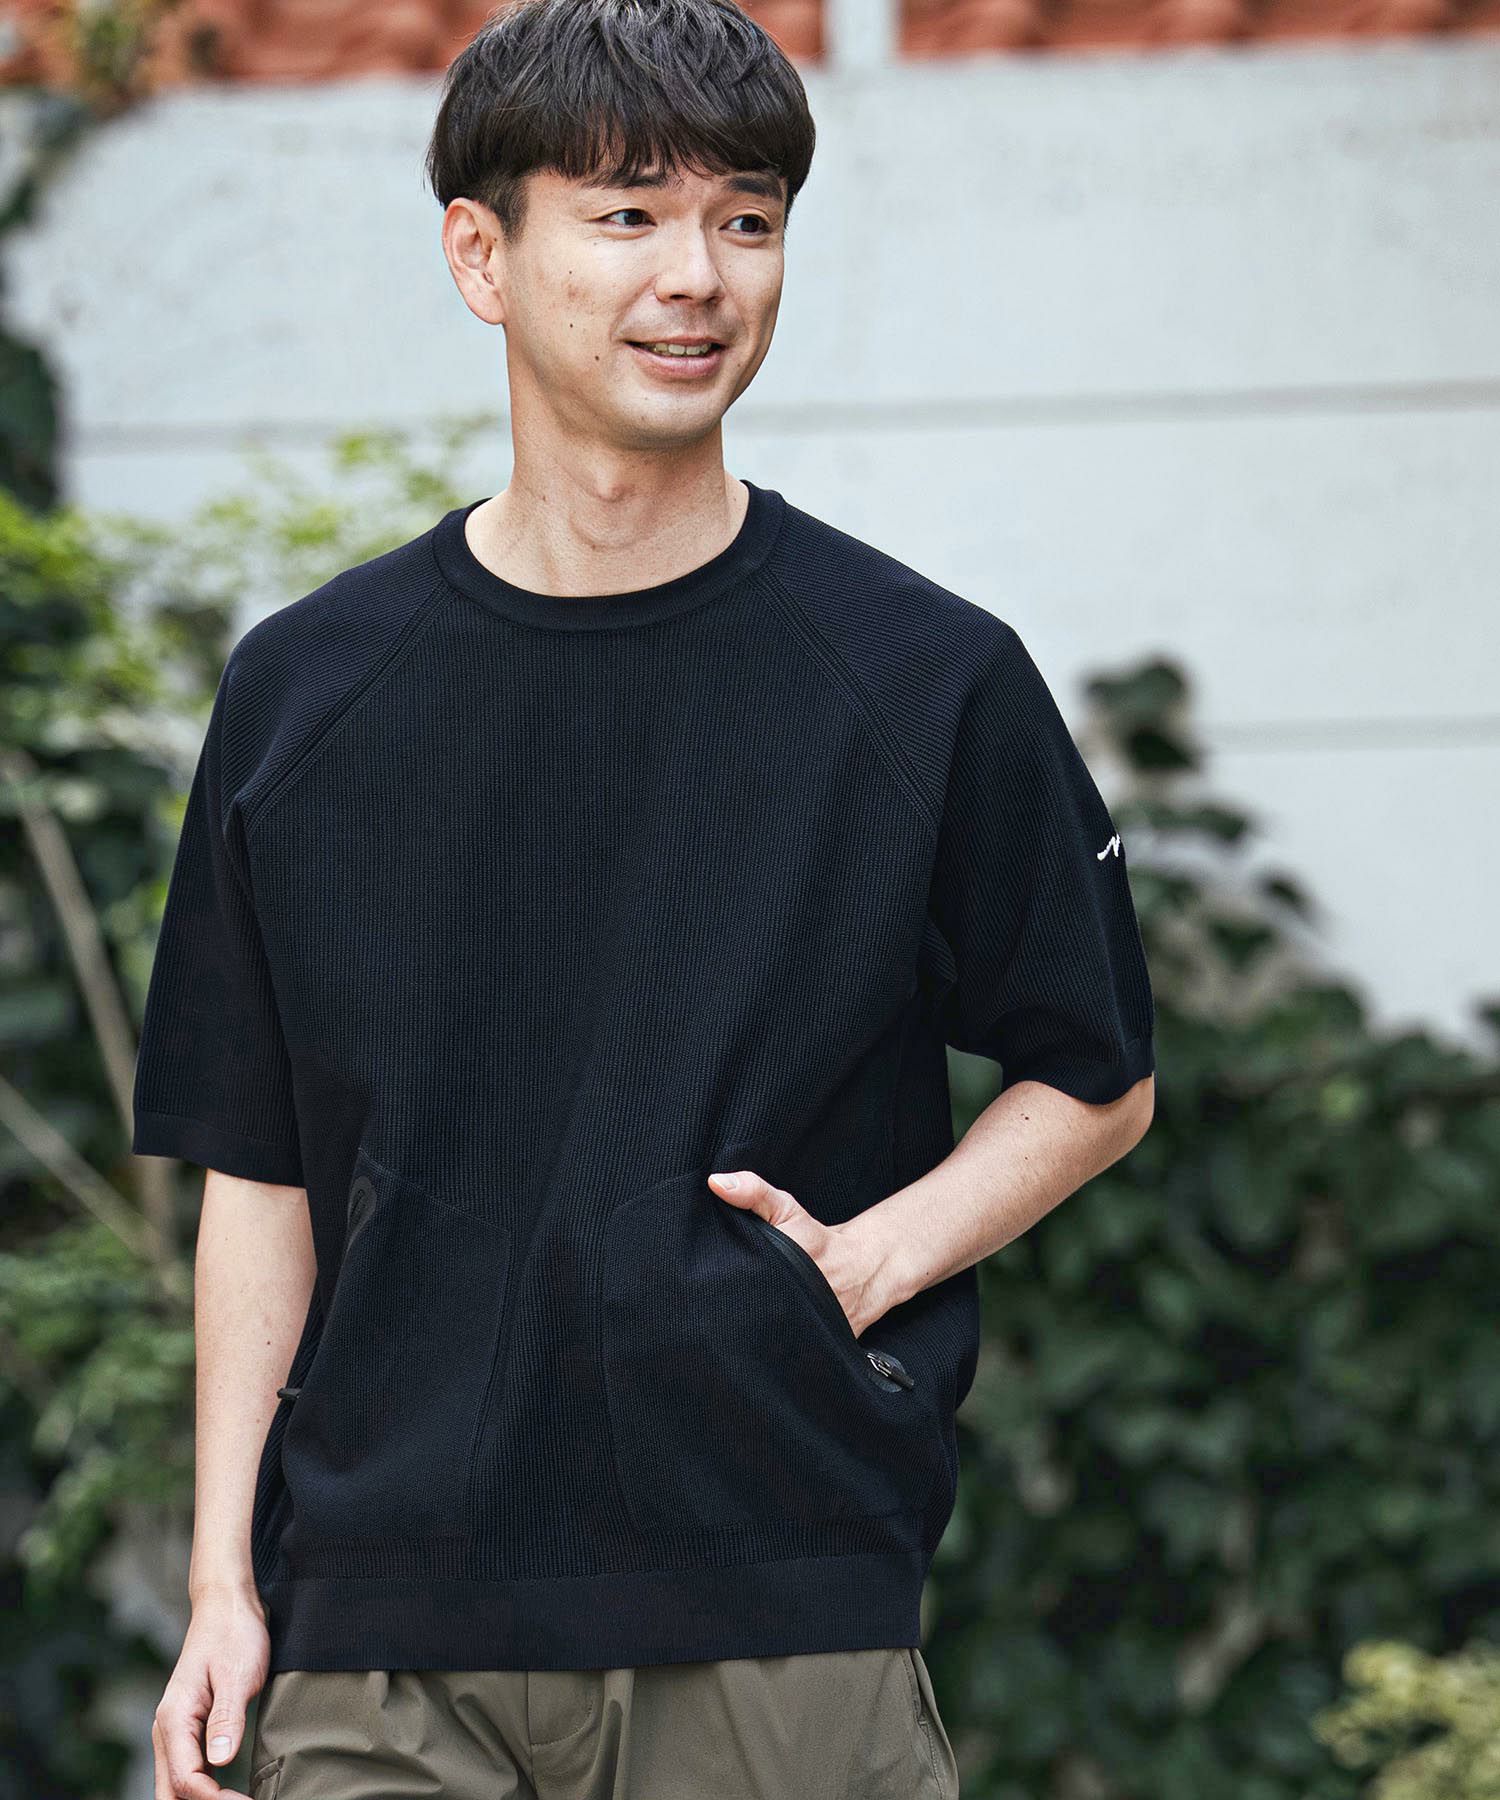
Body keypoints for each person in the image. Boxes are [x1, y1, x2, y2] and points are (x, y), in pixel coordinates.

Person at [136, 1, 1156, 1794]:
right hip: (378, 1631)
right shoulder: (308, 694)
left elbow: (1098, 1072)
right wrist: (225, 1579)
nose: (698, 277)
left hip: (773, 1609)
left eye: (745, 219)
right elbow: (259, 1169)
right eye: (627, 215)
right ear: (481, 254)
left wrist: (864, 1265)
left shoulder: (919, 677)